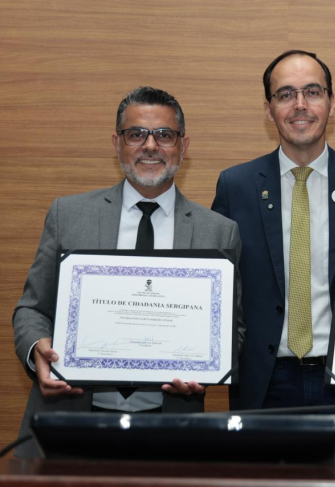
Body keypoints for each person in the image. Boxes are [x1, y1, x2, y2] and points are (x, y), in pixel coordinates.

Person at [13, 86, 243, 457]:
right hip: (69, 421)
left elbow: (234, 329)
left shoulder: (218, 231)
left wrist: (210, 366)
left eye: (164, 135)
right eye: (136, 134)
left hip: (169, 428)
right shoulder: (68, 215)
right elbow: (32, 309)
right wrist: (36, 347)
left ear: (183, 146)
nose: (150, 146)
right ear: (117, 144)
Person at [211, 50, 335, 462]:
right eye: (286, 94)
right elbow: (218, 290)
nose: (300, 105)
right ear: (268, 110)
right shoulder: (235, 186)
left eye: (312, 92)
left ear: (332, 103)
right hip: (263, 387)